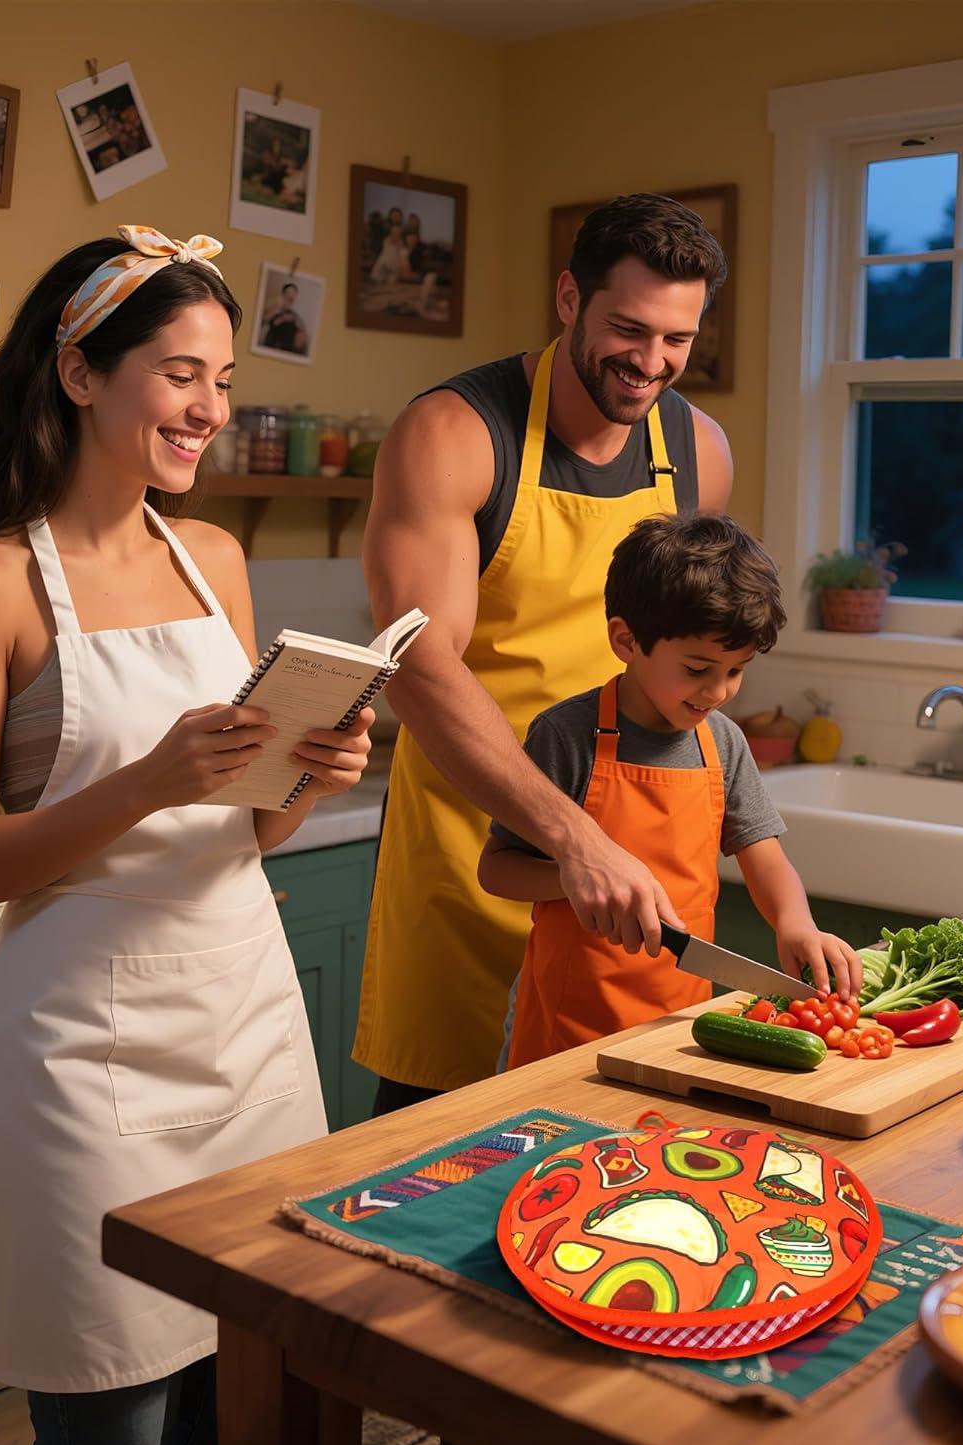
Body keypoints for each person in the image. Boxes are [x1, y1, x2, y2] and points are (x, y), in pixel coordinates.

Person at [0, 224, 373, 1445]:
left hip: (247, 1025)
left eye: (222, 379)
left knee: (245, 1415)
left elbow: (242, 829)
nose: (210, 408)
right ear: (83, 375)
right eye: (178, 374)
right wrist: (150, 777)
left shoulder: (212, 561)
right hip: (79, 1060)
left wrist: (306, 783)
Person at [356, 193, 734, 1112]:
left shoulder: (698, 451)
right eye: (627, 330)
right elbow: (418, 663)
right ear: (569, 299)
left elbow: (688, 638)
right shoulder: (454, 433)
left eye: (676, 340)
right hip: (472, 857)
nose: (650, 364)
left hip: (622, 885)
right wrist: (571, 839)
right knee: (427, 1168)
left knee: (612, 1159)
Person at [481, 513, 862, 1068]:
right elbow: (496, 869)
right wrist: (573, 876)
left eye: (737, 671)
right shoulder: (565, 736)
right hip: (566, 1028)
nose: (719, 691)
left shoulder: (723, 743)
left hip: (678, 1025)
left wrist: (795, 923)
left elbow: (765, 855)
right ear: (626, 640)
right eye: (698, 668)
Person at [260, 280, 304, 353]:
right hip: (270, 348)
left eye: (293, 295)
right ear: (283, 295)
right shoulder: (272, 309)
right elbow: (263, 324)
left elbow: (301, 333)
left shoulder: (294, 316)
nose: (290, 297)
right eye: (288, 293)